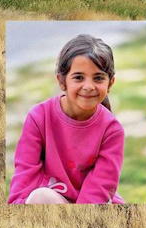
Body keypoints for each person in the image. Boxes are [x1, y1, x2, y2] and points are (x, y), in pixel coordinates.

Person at [8, 34, 125, 204]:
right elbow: (25, 173)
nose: (88, 86)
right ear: (62, 82)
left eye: (98, 78)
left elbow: (100, 187)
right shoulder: (39, 117)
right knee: (40, 197)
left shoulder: (112, 130)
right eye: (78, 77)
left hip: (92, 206)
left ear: (110, 83)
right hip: (51, 201)